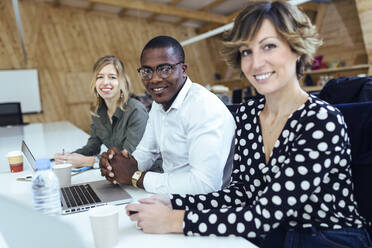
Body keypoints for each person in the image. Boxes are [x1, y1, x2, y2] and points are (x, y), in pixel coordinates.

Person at [125, 2, 372, 247]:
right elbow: (241, 192)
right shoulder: (248, 113)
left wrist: (174, 220)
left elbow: (265, 215)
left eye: (269, 46)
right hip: (270, 232)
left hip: (327, 237)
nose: (255, 63)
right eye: (246, 51)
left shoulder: (321, 120)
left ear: (296, 49)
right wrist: (175, 203)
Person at [99, 36, 236, 194]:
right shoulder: (159, 104)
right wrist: (117, 165)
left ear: (183, 70)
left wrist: (136, 176)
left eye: (165, 69)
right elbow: (147, 152)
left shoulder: (203, 107)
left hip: (203, 206)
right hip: (170, 194)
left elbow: (206, 184)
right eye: (147, 71)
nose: (155, 79)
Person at [54, 56, 148, 168]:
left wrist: (89, 161)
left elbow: (128, 157)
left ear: (122, 81)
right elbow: (93, 145)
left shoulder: (136, 111)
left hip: (147, 175)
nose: (105, 82)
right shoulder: (98, 111)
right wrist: (70, 156)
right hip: (120, 176)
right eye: (100, 77)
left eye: (112, 77)